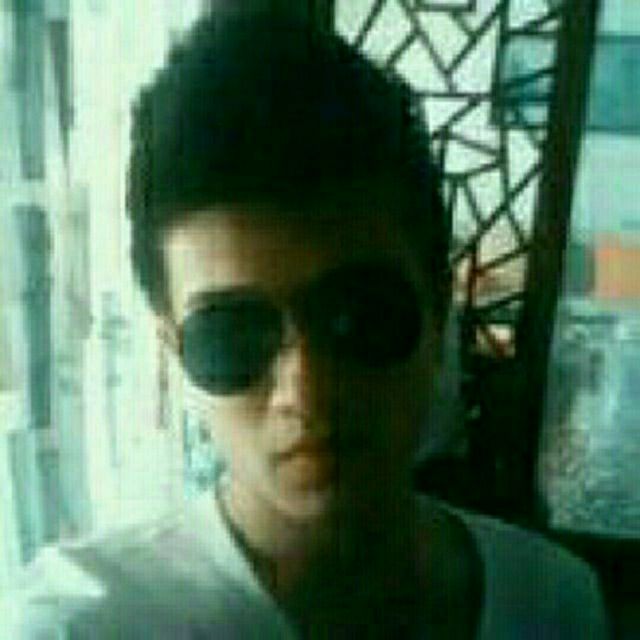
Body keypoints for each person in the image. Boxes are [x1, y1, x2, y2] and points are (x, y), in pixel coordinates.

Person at [3, 12, 609, 639]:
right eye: (232, 337)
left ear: (438, 310)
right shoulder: (84, 626)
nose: (307, 391)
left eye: (361, 315)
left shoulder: (553, 601)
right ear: (172, 353)